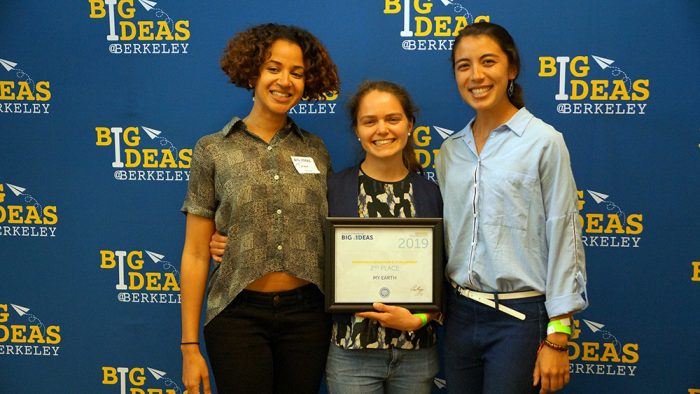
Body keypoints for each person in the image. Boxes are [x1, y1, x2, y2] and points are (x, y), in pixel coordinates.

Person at [209, 80, 443, 393]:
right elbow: (292, 230)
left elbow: (448, 271)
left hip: (417, 351)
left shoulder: (433, 195)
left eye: (393, 119)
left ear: (410, 125)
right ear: (357, 130)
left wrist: (421, 319)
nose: (382, 130)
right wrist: (230, 240)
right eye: (369, 121)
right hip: (351, 352)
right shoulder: (332, 189)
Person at [179, 23, 339, 394]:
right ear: (252, 72)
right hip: (237, 315)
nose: (285, 80)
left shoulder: (316, 149)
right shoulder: (213, 149)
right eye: (274, 68)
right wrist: (189, 347)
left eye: (297, 72)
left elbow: (332, 233)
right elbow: (195, 253)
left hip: (308, 318)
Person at [436, 22, 588, 394]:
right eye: (463, 65)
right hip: (458, 318)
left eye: (488, 62)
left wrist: (558, 337)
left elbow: (564, 235)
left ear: (512, 69)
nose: (476, 76)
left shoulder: (544, 142)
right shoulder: (450, 151)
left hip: (519, 321)